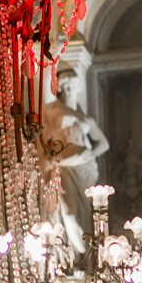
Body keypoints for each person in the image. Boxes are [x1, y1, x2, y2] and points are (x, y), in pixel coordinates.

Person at [42, 65, 109, 253]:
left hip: (85, 168)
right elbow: (45, 87)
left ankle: (87, 260)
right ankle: (77, 256)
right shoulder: (54, 110)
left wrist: (90, 154)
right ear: (60, 87)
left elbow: (104, 144)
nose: (69, 88)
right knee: (68, 212)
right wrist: (52, 53)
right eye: (65, 84)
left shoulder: (85, 118)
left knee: (86, 213)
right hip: (63, 167)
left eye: (73, 84)